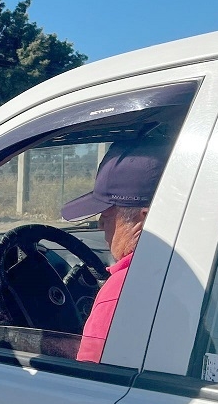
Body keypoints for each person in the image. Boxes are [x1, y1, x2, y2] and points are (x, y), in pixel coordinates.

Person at [61, 139, 170, 363]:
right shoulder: (178, 271)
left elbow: (86, 380)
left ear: (145, 217)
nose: (100, 224)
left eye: (108, 214)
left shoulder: (124, 291)